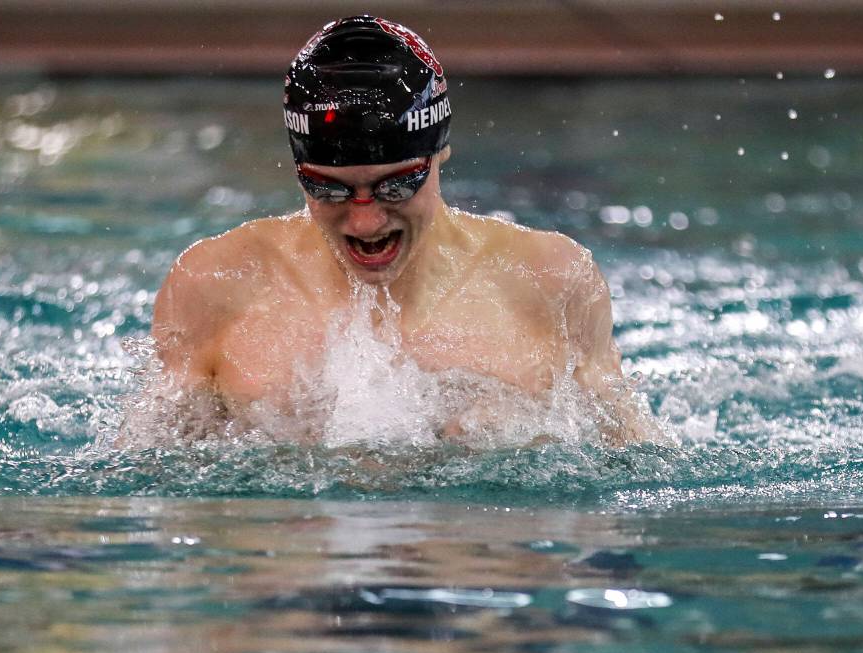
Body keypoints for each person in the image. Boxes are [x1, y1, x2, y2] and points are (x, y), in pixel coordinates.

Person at [152, 15, 661, 446]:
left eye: (396, 187)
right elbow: (149, 475)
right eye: (329, 190)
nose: (366, 221)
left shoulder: (550, 281)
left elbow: (636, 463)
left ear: (439, 153)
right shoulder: (215, 283)